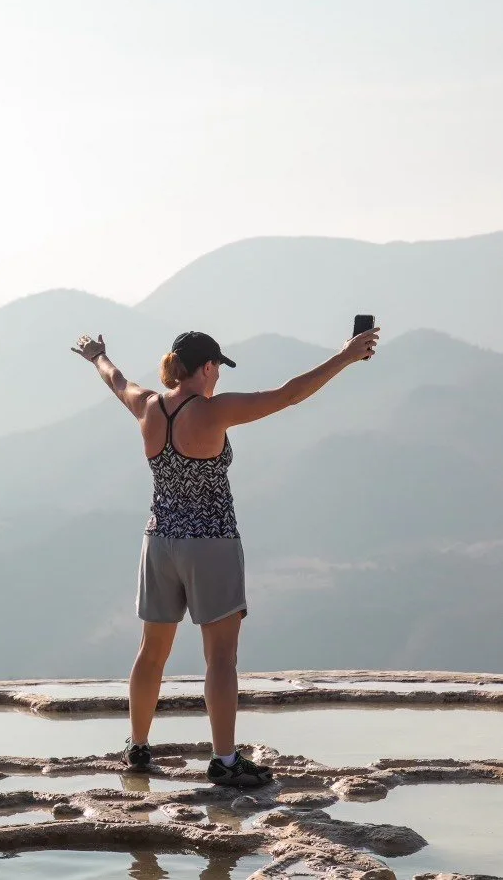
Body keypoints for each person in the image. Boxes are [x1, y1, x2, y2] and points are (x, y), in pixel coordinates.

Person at [72, 325, 380, 787]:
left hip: (159, 542)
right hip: (211, 544)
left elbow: (116, 379)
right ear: (207, 367)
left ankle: (137, 748)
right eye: (217, 367)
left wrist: (97, 354)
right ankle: (225, 760)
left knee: (151, 651)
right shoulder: (214, 411)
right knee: (220, 657)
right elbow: (290, 394)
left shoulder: (148, 405)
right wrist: (345, 357)